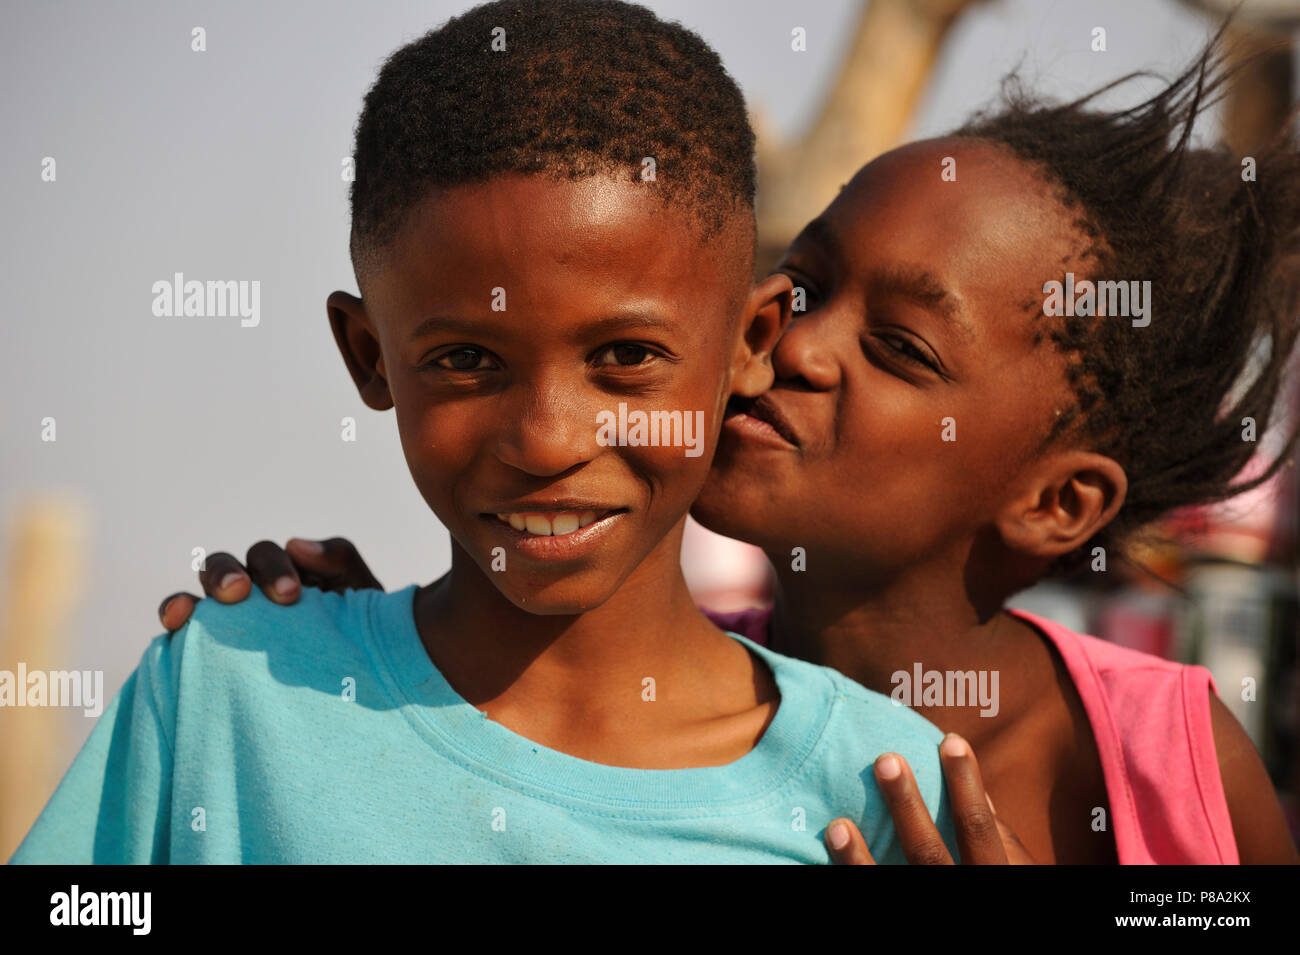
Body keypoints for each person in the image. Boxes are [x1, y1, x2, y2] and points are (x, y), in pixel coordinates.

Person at [161, 31, 1300, 864]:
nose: (791, 347)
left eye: (898, 347)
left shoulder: (1173, 771)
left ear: (1057, 505)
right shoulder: (656, 709)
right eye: (802, 284)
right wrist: (364, 681)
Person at [10, 0, 962, 865]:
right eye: (467, 360)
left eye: (626, 356)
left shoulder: (885, 789)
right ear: (369, 357)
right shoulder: (228, 697)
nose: (547, 442)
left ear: (749, 346)